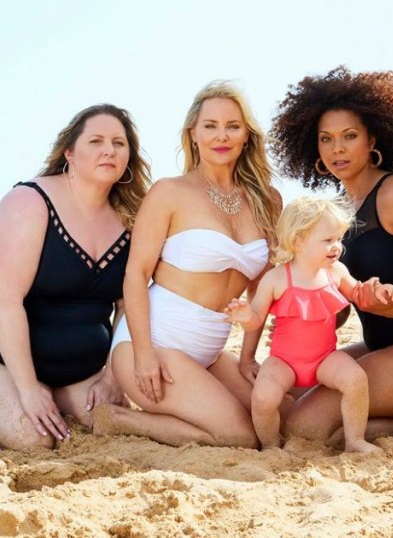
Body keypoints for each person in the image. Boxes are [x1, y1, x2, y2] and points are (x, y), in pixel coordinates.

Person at [269, 67, 393, 443]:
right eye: (326, 139)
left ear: (372, 139)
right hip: (381, 345)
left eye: (349, 136)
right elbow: (342, 297)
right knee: (278, 398)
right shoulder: (340, 209)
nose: (337, 149)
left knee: (303, 427)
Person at [0, 104, 151, 449]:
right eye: (96, 141)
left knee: (103, 422)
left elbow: (128, 305)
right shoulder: (29, 201)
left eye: (119, 143)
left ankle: (50, 395)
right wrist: (27, 389)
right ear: (69, 152)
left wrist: (112, 377)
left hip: (78, 365)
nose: (109, 150)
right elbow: (3, 300)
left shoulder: (134, 217)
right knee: (34, 439)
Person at [93, 81, 280, 448]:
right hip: (153, 344)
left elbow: (261, 288)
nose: (221, 136)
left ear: (247, 135)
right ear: (193, 134)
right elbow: (136, 275)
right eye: (210, 126)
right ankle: (121, 418)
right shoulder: (169, 192)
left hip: (210, 351)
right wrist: (144, 355)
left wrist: (248, 356)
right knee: (239, 437)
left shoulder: (267, 200)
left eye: (233, 126)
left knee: (272, 420)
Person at [225, 197, 393, 452]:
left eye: (338, 239)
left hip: (323, 358)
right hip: (283, 361)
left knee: (356, 380)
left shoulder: (336, 271)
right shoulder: (276, 278)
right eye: (327, 240)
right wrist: (244, 316)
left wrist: (379, 290)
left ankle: (355, 440)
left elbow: (359, 293)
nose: (336, 246)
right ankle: (271, 446)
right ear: (298, 240)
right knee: (263, 398)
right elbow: (256, 320)